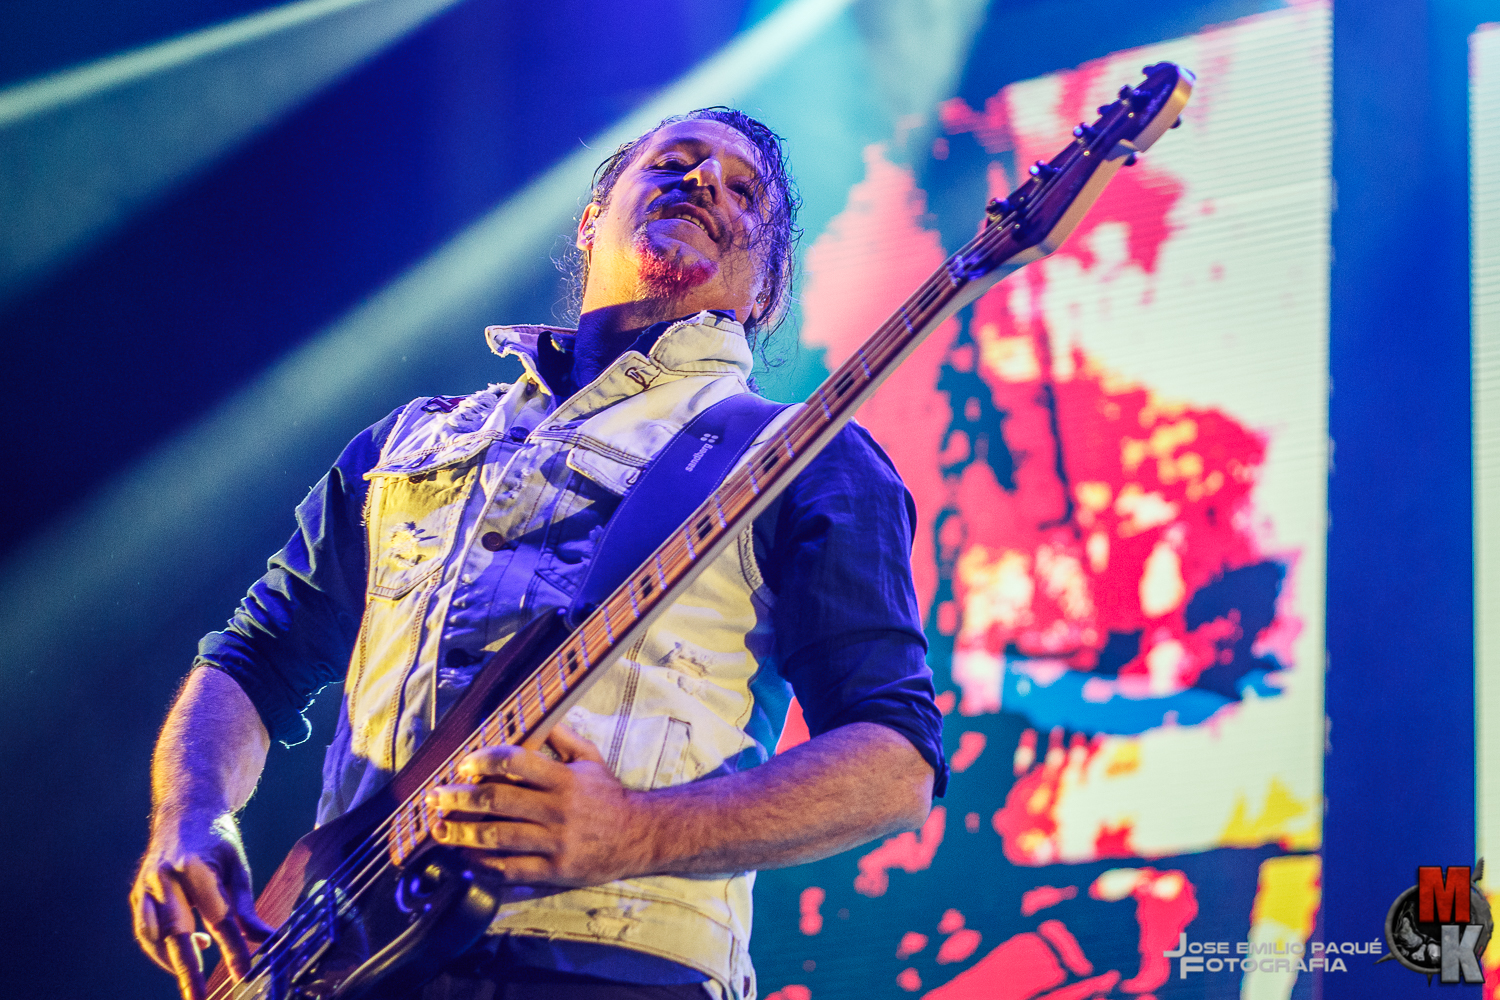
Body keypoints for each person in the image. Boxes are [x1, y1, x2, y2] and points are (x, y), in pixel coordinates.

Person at [129, 107, 948, 1000]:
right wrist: (191, 814)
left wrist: (636, 832)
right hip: (338, 962)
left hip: (617, 971)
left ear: (766, 295)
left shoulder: (804, 454)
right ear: (592, 221)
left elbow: (894, 762)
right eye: (673, 160)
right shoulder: (407, 440)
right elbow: (255, 657)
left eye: (743, 189)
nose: (704, 180)